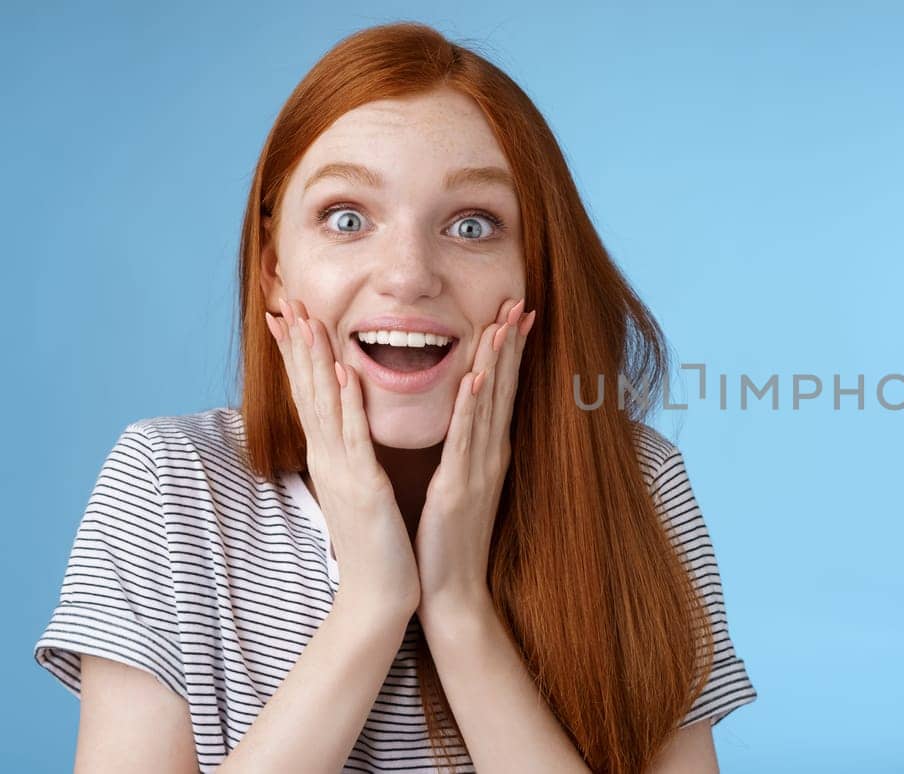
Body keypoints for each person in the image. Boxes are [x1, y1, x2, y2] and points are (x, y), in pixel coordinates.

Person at [32, 21, 756, 773]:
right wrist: (372, 603)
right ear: (274, 264)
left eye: (473, 225)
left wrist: (458, 607)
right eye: (347, 219)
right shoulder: (167, 482)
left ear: (535, 272)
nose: (409, 275)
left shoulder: (635, 483)